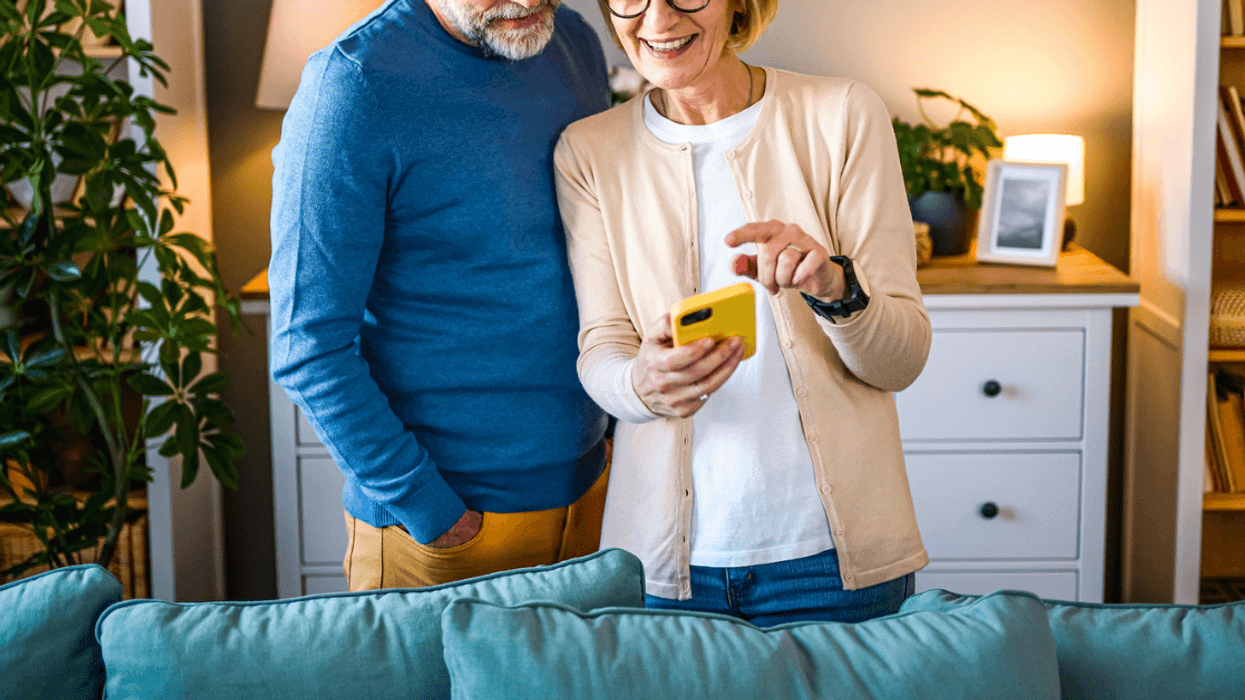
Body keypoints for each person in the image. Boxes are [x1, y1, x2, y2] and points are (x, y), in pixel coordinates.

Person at [553, 0, 932, 625]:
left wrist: (834, 286)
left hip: (832, 565)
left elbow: (903, 360)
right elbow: (602, 347)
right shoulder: (588, 152)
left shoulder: (841, 114)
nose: (657, 19)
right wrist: (640, 382)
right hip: (663, 569)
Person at [268, 0, 612, 591]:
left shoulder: (574, 43)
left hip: (592, 496)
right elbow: (307, 346)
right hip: (448, 523)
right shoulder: (351, 85)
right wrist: (432, 511)